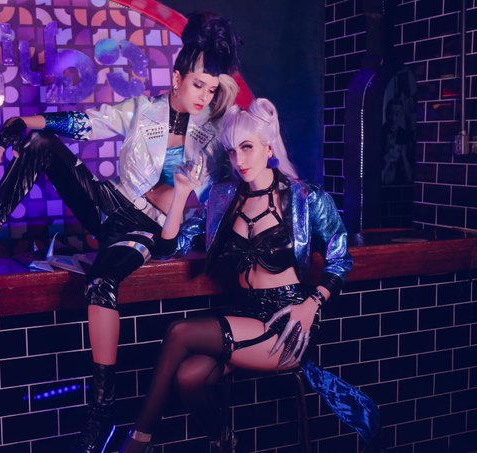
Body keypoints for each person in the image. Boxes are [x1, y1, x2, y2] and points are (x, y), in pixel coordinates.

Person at [0, 12, 241, 453]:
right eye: (197, 85)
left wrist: (169, 192)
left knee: (101, 283)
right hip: (109, 205)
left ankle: (102, 406)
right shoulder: (143, 110)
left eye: (211, 88)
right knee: (41, 144)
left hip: (148, 229)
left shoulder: (213, 133)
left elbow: (204, 186)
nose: (205, 96)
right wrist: (26, 122)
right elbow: (88, 122)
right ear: (176, 78)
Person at [119, 98, 381, 453]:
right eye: (232, 151)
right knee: (188, 377)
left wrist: (312, 303)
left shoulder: (305, 198)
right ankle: (224, 441)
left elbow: (340, 258)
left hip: (287, 322)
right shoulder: (224, 198)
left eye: (247, 147)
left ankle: (139, 440)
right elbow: (171, 247)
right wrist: (180, 195)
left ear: (268, 147)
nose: (238, 159)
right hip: (244, 314)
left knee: (179, 332)